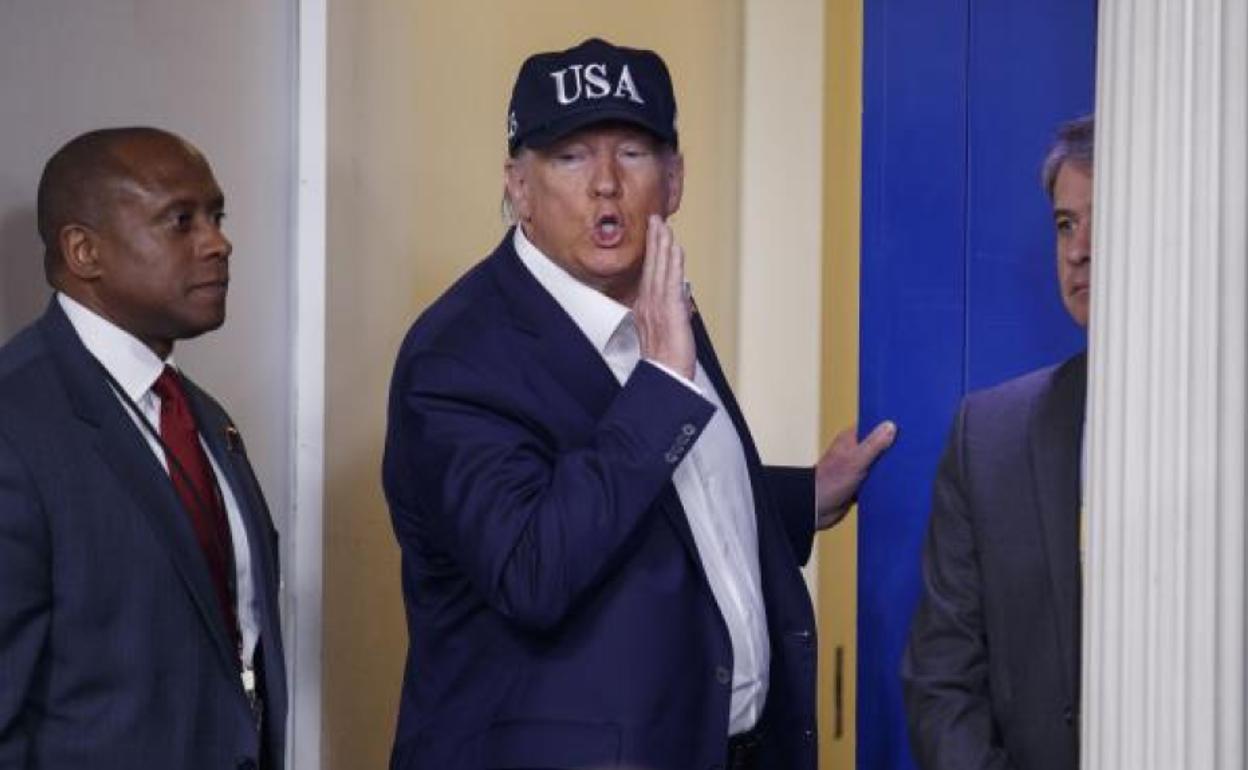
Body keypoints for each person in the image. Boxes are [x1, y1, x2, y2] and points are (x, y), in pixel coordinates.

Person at [383, 38, 895, 770]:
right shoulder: (457, 355)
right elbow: (531, 568)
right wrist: (661, 384)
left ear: (674, 180)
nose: (605, 185)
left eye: (631, 153)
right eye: (570, 158)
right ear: (518, 187)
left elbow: (670, 501)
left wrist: (799, 497)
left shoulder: (653, 300)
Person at [0, 127, 286, 769]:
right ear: (84, 251)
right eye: (180, 221)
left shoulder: (203, 417)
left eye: (216, 217)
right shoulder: (15, 425)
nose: (218, 243)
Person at [901, 115, 1094, 770]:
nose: (1079, 250)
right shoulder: (990, 436)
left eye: (1105, 220)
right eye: (1065, 224)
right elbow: (942, 681)